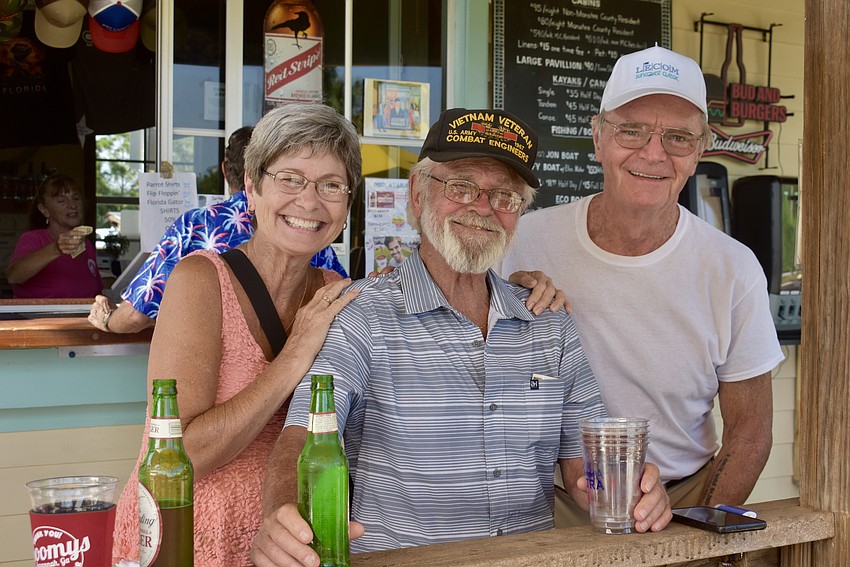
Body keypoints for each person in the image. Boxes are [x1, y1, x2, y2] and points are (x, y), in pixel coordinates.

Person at [251, 107, 672, 566]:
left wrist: (629, 491)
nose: (482, 208)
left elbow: (581, 473)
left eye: (505, 197)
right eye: (461, 187)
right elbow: (301, 438)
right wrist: (281, 515)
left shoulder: (551, 326)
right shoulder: (361, 315)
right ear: (417, 193)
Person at [502, 46, 784, 522]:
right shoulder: (522, 241)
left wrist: (699, 528)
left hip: (686, 494)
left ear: (699, 151)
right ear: (598, 138)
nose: (653, 154)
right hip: (551, 500)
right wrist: (506, 296)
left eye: (677, 137)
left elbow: (750, 431)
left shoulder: (732, 268)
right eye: (631, 131)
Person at [110, 102, 363, 567]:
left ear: (347, 206)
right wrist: (295, 355)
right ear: (251, 186)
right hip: (190, 534)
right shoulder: (201, 281)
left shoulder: (336, 294)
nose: (309, 202)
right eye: (290, 179)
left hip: (289, 541)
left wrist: (527, 285)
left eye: (331, 185)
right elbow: (180, 455)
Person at [88, 126, 348, 334]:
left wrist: (108, 320)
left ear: (226, 171)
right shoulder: (308, 231)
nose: (308, 200)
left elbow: (136, 316)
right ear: (251, 179)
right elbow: (341, 309)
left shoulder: (196, 225)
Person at [5, 174, 103, 299]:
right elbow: (13, 276)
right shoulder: (34, 239)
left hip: (82, 316)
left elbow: (97, 290)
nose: (72, 205)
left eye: (76, 198)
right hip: (41, 317)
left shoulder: (86, 245)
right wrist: (56, 248)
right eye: (62, 201)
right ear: (44, 210)